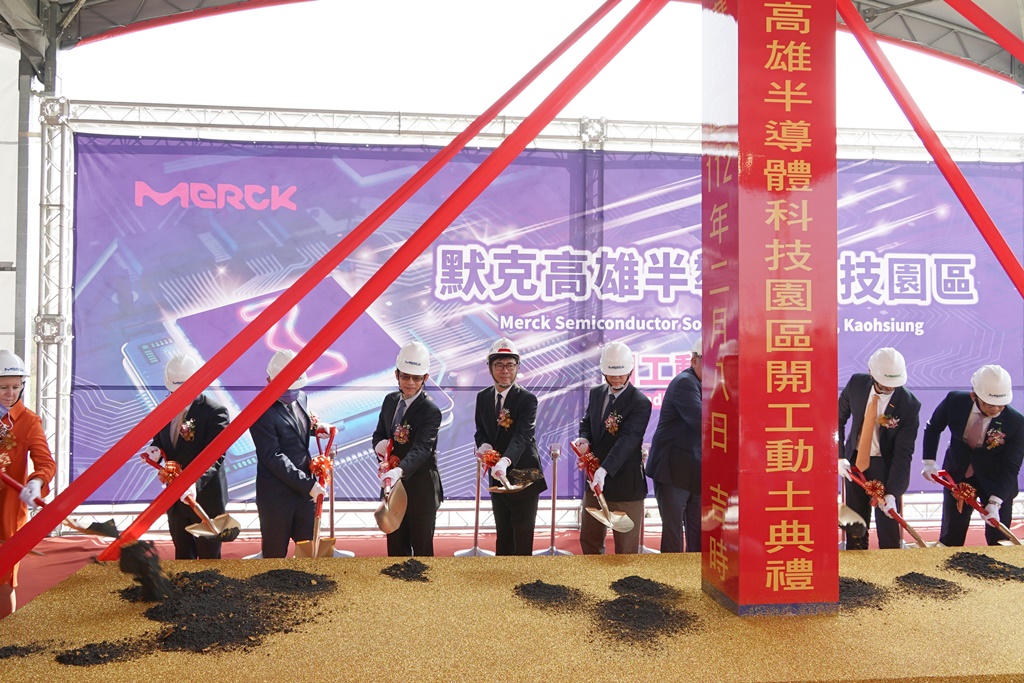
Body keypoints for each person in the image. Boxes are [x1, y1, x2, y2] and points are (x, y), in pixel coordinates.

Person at [921, 364, 1024, 547]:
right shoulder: (954, 401)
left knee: (999, 541)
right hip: (958, 475)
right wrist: (929, 462)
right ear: (974, 396)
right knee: (951, 537)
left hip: (996, 481)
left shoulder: (1016, 422)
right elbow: (933, 427)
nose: (995, 409)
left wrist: (995, 502)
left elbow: (1011, 467)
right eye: (989, 404)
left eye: (1001, 405)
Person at [145, 353, 230, 560]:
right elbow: (161, 440)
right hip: (175, 498)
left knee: (209, 561)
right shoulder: (163, 409)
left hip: (205, 497)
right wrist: (155, 450)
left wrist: (193, 483)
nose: (178, 396)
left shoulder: (214, 412)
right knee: (182, 555)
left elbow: (215, 455)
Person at [837, 347, 921, 550]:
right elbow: (837, 419)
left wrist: (893, 492)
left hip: (886, 465)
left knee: (888, 527)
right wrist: (839, 456)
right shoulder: (856, 384)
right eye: (885, 383)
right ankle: (856, 564)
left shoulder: (908, 404)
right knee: (855, 524)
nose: (890, 387)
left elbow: (903, 453)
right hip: (854, 462)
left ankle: (891, 564)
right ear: (871, 372)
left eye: (894, 384)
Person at [573, 340, 652, 554]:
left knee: (626, 549)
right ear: (603, 371)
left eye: (621, 374)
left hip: (626, 485)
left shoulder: (640, 402)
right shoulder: (596, 393)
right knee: (589, 540)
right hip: (595, 482)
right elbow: (587, 422)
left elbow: (628, 441)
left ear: (630, 371)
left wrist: (604, 470)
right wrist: (584, 439)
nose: (616, 379)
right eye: (611, 374)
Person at [249, 349, 329, 558]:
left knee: (310, 552)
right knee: (275, 556)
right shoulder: (259, 411)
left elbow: (294, 427)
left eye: (296, 387)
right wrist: (308, 485)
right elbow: (273, 456)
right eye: (287, 388)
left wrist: (315, 428)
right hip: (277, 497)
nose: (293, 392)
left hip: (303, 495)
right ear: (270, 380)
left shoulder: (300, 397)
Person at [473, 337, 547, 556]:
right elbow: (480, 430)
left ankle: (524, 577)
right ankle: (501, 576)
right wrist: (484, 445)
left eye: (510, 365)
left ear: (517, 367)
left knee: (522, 537)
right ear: (490, 368)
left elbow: (523, 435)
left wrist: (505, 461)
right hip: (497, 475)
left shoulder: (527, 399)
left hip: (524, 473)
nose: (505, 371)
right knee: (503, 534)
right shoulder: (483, 397)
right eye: (499, 365)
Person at [373, 341, 443, 556]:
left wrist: (399, 470)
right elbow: (379, 433)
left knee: (422, 553)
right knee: (395, 551)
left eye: (416, 378)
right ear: (397, 375)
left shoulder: (430, 411)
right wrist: (379, 446)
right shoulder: (390, 401)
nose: (410, 383)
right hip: (393, 491)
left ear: (425, 378)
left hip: (421, 491)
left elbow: (422, 449)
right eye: (405, 377)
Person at [0, 351, 55, 619]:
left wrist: (36, 482)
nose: (10, 394)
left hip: (8, 510)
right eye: (3, 387)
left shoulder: (29, 420)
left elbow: (46, 462)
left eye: (16, 386)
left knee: (4, 580)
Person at [645, 335, 703, 553]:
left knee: (698, 531)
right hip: (672, 471)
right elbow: (702, 422)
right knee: (674, 533)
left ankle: (696, 573)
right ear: (694, 361)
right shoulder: (685, 383)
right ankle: (672, 574)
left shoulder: (707, 384)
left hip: (695, 469)